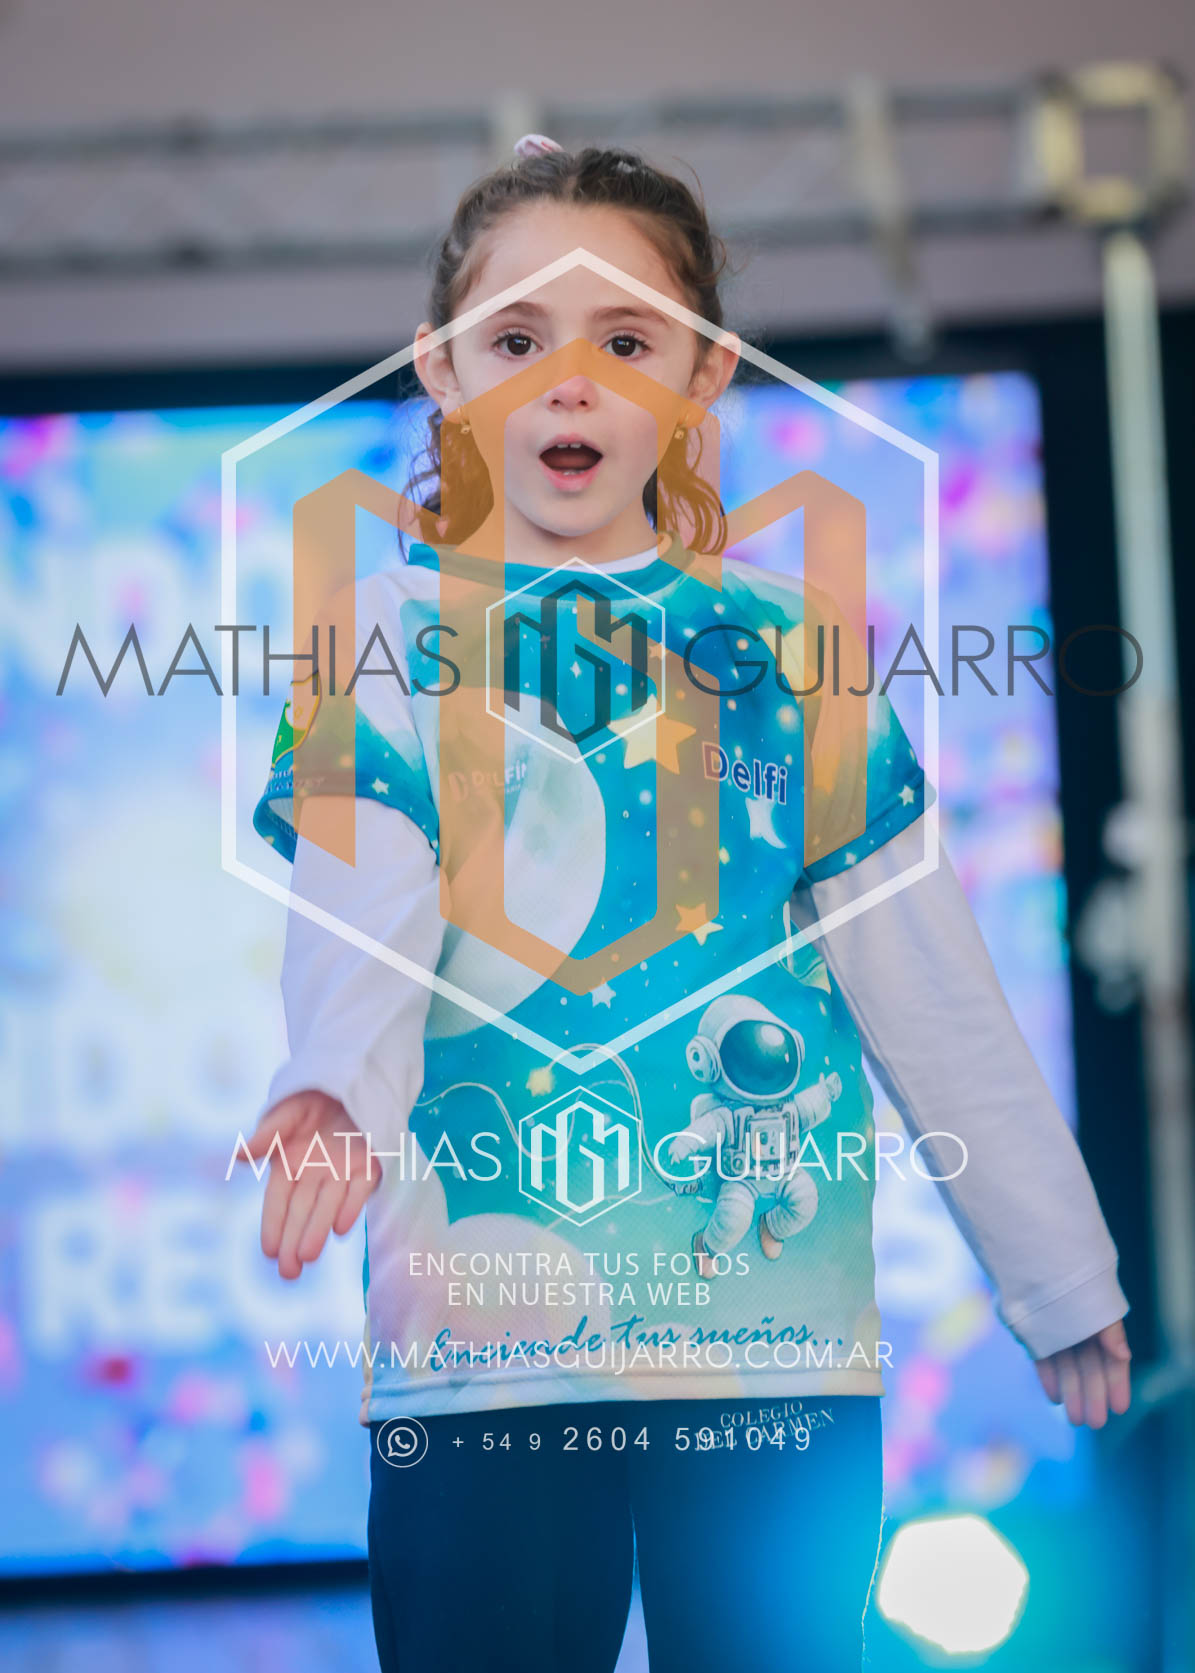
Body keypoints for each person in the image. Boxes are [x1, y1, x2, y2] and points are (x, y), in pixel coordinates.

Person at [243, 137, 1132, 1673]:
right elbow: (362, 905)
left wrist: (1054, 1267)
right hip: (486, 1353)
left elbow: (926, 983)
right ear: (441, 373)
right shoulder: (379, 639)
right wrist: (332, 1079)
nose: (568, 385)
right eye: (516, 341)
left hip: (771, 1344)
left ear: (704, 374)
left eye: (624, 341)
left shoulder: (797, 654)